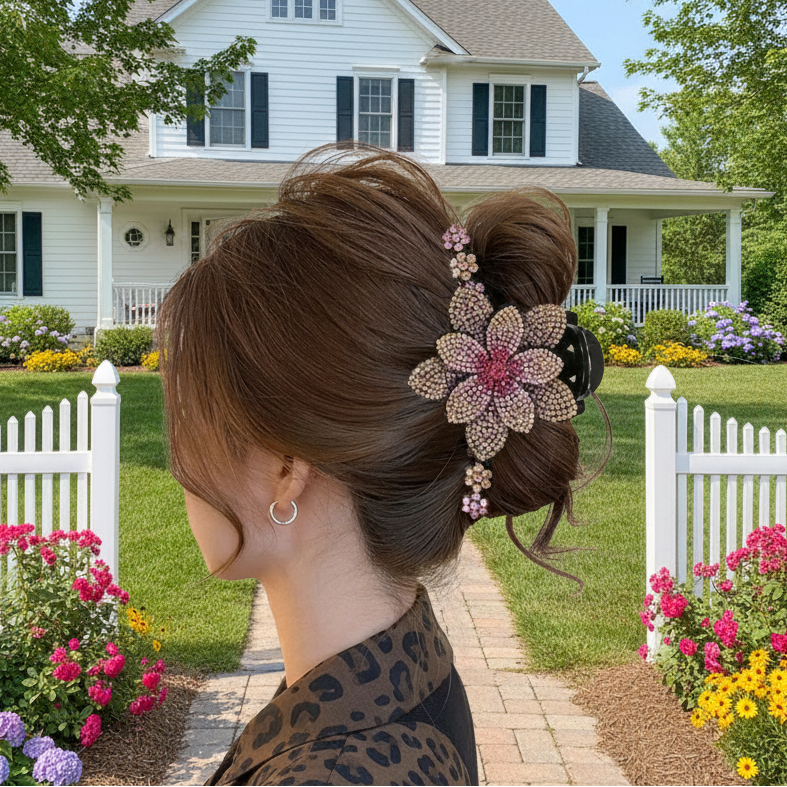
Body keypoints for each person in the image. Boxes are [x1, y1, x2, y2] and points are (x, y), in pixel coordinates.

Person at [157, 144, 604, 786]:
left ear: (288, 468)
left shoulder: (337, 769)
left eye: (192, 417)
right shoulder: (401, 659)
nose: (180, 464)